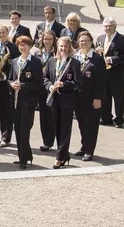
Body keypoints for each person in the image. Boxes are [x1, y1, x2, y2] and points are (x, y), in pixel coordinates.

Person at [44, 37, 80, 169]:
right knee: (57, 128)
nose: (63, 49)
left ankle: (59, 157)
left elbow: (78, 83)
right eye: (60, 46)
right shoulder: (51, 61)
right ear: (57, 47)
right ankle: (64, 155)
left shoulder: (74, 63)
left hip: (67, 101)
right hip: (54, 99)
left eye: (65, 46)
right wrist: (49, 86)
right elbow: (45, 78)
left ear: (69, 47)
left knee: (65, 129)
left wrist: (63, 84)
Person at [8, 35, 42, 170]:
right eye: (20, 45)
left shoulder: (35, 62)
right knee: (17, 129)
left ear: (30, 46)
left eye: (25, 45)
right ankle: (25, 155)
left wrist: (22, 86)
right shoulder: (15, 61)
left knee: (24, 129)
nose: (23, 47)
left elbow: (38, 83)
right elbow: (9, 78)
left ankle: (23, 159)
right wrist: (11, 84)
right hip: (16, 100)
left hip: (28, 101)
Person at [74, 31, 106, 161]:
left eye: (86, 41)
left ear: (91, 42)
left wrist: (98, 98)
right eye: (81, 41)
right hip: (78, 98)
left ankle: (89, 150)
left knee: (91, 125)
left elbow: (101, 81)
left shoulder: (97, 59)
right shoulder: (76, 57)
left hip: (92, 98)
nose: (83, 43)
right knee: (81, 123)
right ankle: (84, 146)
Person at [97, 17, 124, 128]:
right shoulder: (100, 38)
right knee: (104, 96)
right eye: (105, 26)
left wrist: (111, 59)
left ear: (114, 26)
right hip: (103, 73)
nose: (107, 28)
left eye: (109, 26)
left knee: (118, 98)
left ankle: (119, 120)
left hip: (117, 73)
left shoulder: (123, 39)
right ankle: (106, 117)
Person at [0, 24, 20, 147]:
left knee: (8, 110)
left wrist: (7, 76)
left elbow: (16, 64)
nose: (1, 35)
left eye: (3, 32)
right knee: (1, 110)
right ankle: (3, 134)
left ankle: (6, 138)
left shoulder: (13, 48)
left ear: (8, 33)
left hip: (8, 82)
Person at [31, 30, 57, 152]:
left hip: (52, 87)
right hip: (40, 88)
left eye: (50, 39)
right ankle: (46, 142)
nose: (47, 41)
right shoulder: (37, 53)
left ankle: (53, 140)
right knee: (43, 115)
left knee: (52, 115)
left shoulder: (57, 53)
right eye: (45, 39)